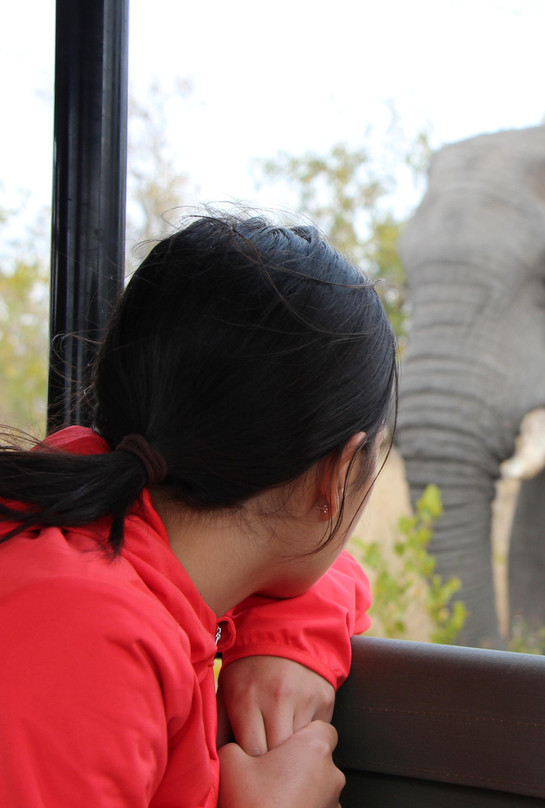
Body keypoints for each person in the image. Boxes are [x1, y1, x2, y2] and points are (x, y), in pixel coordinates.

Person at [0, 213, 397, 807]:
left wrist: (283, 637)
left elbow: (321, 567)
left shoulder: (81, 520)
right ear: (337, 477)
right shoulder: (88, 639)